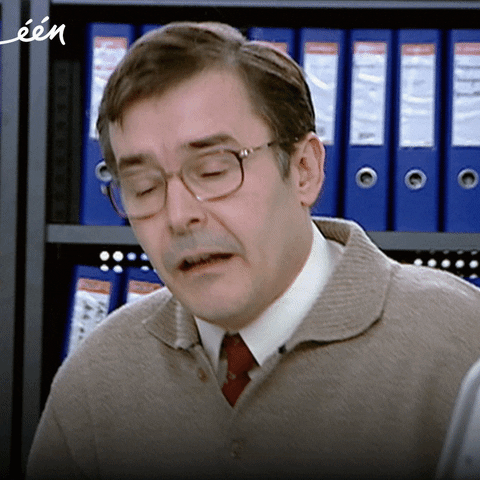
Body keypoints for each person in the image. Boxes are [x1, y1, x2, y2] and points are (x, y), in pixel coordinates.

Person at [27, 21, 480, 480]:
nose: (179, 215)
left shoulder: (460, 342)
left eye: (213, 170)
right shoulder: (96, 378)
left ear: (303, 170)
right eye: (143, 187)